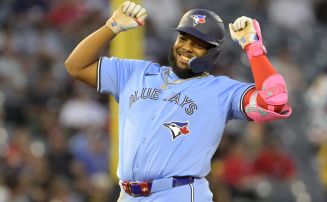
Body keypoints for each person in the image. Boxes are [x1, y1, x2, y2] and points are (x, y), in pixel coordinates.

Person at [65, 1, 292, 201]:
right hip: (128, 195)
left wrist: (253, 48)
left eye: (198, 44)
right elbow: (75, 66)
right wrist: (111, 27)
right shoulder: (135, 73)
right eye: (183, 37)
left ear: (213, 53)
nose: (186, 47)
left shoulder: (220, 90)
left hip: (178, 193)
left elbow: (274, 102)